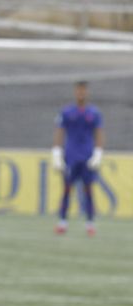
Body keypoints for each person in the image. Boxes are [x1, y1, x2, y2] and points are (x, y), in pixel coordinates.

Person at [51, 80, 104, 236]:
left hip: (87, 156)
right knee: (67, 189)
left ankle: (90, 223)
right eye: (78, 90)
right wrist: (56, 152)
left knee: (88, 189)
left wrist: (98, 152)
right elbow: (59, 131)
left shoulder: (94, 113)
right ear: (75, 92)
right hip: (71, 156)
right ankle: (62, 222)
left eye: (83, 91)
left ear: (87, 92)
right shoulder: (66, 112)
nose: (81, 93)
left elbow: (99, 132)